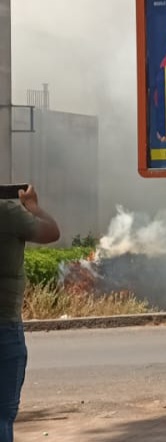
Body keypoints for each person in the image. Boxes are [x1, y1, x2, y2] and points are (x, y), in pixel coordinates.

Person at [0, 185, 60, 442]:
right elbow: (51, 232)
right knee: (2, 415)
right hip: (4, 327)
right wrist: (33, 206)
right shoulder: (7, 214)